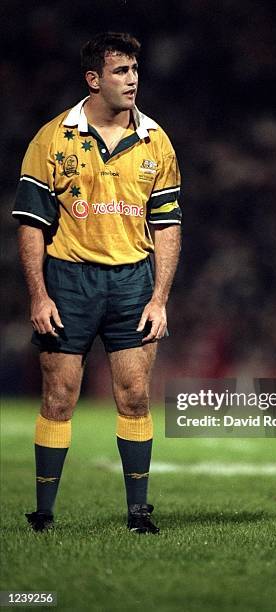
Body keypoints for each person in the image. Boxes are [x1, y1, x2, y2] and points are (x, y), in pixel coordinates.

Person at [12, 32, 182, 534]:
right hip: (69, 282)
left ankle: (138, 512)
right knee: (59, 398)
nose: (132, 80)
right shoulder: (52, 139)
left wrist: (160, 297)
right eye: (120, 72)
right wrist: (39, 295)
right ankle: (43, 514)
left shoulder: (157, 140)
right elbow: (30, 225)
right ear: (93, 79)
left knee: (134, 396)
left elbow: (168, 225)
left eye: (135, 70)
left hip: (132, 282)